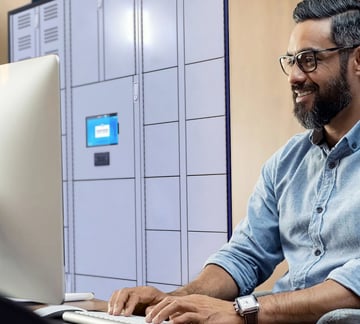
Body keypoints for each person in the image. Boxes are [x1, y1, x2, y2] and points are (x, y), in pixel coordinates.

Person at [108, 0, 360, 323]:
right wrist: (175, 300)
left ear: (357, 60)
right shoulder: (285, 164)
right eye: (291, 62)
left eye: (309, 60)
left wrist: (244, 311)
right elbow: (245, 255)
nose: (294, 77)